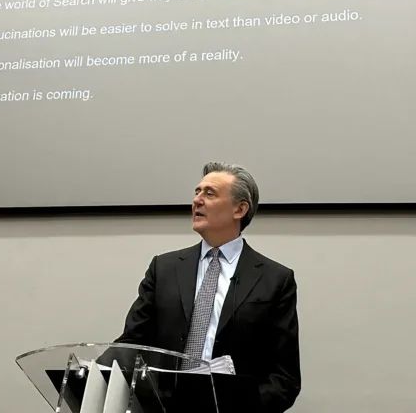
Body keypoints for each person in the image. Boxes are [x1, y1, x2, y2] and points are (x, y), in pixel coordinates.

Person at [115, 162, 301, 413]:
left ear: (240, 209)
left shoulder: (275, 279)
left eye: (209, 194)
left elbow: (284, 378)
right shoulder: (164, 269)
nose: (197, 201)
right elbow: (130, 345)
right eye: (197, 192)